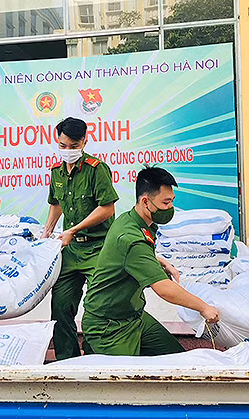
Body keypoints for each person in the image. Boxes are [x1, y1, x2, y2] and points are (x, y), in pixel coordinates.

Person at [81, 166, 219, 356]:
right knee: (127, 381)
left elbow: (131, 255)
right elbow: (164, 288)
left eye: (171, 202)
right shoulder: (131, 237)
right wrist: (203, 307)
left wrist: (155, 260)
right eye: (165, 202)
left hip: (133, 316)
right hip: (108, 327)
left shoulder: (131, 220)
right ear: (145, 201)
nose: (170, 208)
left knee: (176, 359)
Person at [40, 117, 119, 360]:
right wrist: (46, 232)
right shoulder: (56, 172)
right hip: (70, 251)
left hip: (99, 249)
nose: (68, 151)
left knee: (98, 308)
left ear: (84, 141)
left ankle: (96, 359)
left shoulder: (97, 169)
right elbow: (56, 204)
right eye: (63, 146)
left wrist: (74, 230)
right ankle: (66, 361)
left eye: (74, 146)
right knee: (61, 308)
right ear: (57, 141)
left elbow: (107, 208)